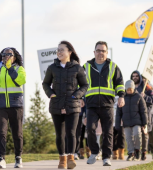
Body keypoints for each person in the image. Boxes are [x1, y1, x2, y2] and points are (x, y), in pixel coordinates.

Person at [42, 41, 88, 169]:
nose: (59, 52)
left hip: (72, 105)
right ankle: (62, 159)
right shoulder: (52, 68)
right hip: (56, 104)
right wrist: (50, 94)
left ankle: (71, 158)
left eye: (62, 50)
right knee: (59, 134)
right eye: (58, 50)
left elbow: (85, 85)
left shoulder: (77, 67)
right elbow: (45, 83)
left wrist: (77, 95)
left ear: (69, 52)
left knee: (71, 133)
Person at [84, 41, 125, 166]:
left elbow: (119, 83)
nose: (100, 53)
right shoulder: (86, 66)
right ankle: (94, 152)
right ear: (94, 52)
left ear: (107, 53)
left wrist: (122, 96)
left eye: (103, 51)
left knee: (108, 131)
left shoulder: (113, 66)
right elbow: (80, 83)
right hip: (91, 104)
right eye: (98, 50)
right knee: (90, 129)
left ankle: (106, 157)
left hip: (107, 104)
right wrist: (79, 97)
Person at [0, 47, 26, 169]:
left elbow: (20, 80)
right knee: (1, 132)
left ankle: (18, 158)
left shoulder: (19, 69)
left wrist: (9, 68)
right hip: (0, 106)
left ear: (14, 57)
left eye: (10, 55)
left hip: (16, 105)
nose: (7, 57)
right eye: (4, 55)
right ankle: (1, 159)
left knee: (17, 133)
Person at [115, 80, 148, 161]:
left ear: (133, 88)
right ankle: (131, 153)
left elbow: (143, 111)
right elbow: (118, 113)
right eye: (127, 89)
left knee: (137, 134)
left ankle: (137, 150)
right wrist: (117, 124)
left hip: (137, 121)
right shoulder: (122, 98)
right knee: (128, 138)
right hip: (126, 122)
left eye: (130, 89)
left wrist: (145, 123)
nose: (129, 91)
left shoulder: (139, 97)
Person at [131, 71, 153, 160]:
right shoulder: (131, 88)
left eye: (137, 76)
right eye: (133, 76)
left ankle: (144, 152)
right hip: (135, 115)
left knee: (144, 134)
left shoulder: (147, 89)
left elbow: (151, 100)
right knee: (135, 134)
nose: (135, 77)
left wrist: (145, 97)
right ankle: (136, 151)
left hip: (145, 114)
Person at [112, 96, 125, 160]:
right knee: (112, 137)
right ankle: (115, 153)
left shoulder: (122, 95)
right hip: (111, 119)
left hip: (120, 120)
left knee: (121, 136)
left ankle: (121, 153)